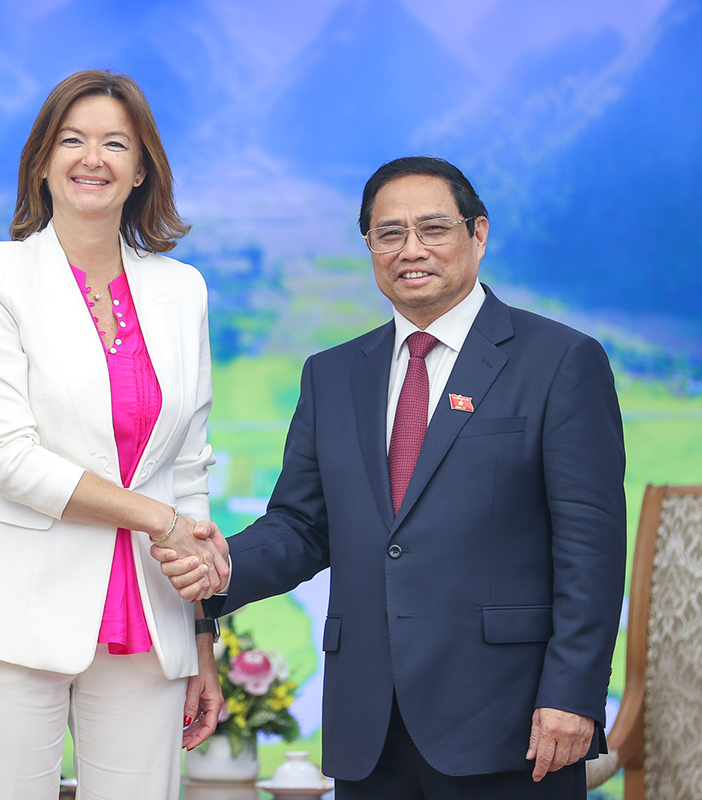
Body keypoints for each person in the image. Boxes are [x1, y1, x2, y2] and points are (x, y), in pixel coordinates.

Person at [162, 156, 626, 799]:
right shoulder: (332, 375)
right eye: (389, 233)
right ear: (370, 246)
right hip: (368, 725)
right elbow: (302, 526)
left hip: (509, 721)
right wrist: (216, 570)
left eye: (433, 229)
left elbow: (590, 547)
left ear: (478, 234)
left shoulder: (561, 361)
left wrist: (572, 694)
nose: (411, 249)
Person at [0, 70, 229, 800]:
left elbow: (188, 467)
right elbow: (6, 457)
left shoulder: (182, 289)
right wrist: (159, 519)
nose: (93, 158)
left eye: (115, 144)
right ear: (41, 161)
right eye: (72, 140)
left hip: (148, 615)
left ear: (141, 169)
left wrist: (201, 634)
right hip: (13, 611)